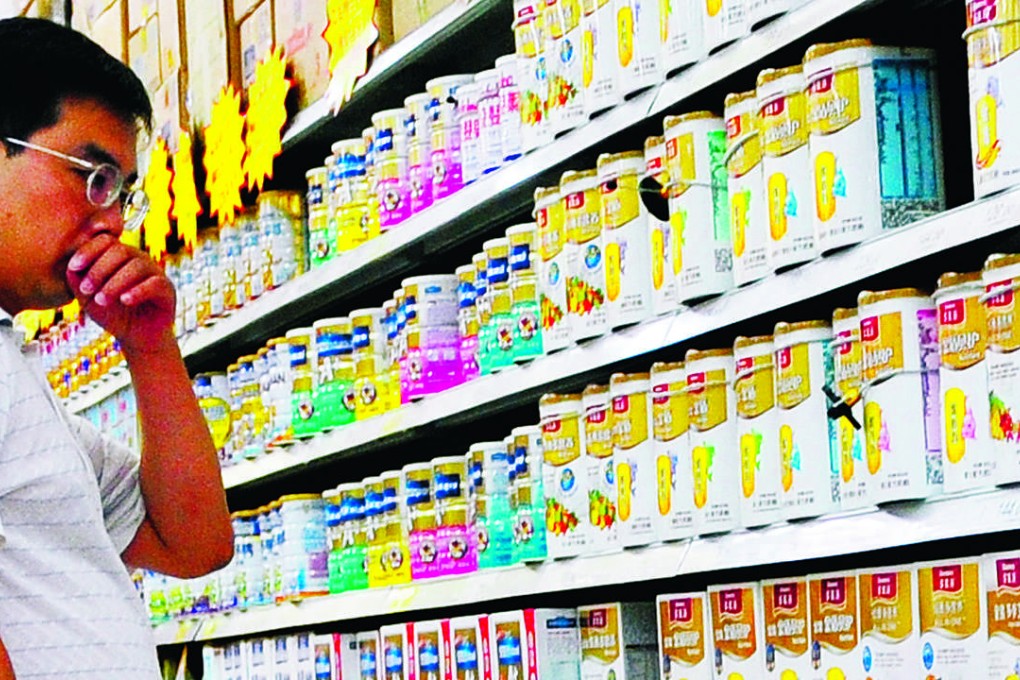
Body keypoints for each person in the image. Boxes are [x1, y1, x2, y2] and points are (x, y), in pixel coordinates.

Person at [0, 17, 234, 679]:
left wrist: (150, 347)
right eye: (93, 176)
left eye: (123, 192)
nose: (112, 221)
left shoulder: (17, 376)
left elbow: (192, 543)